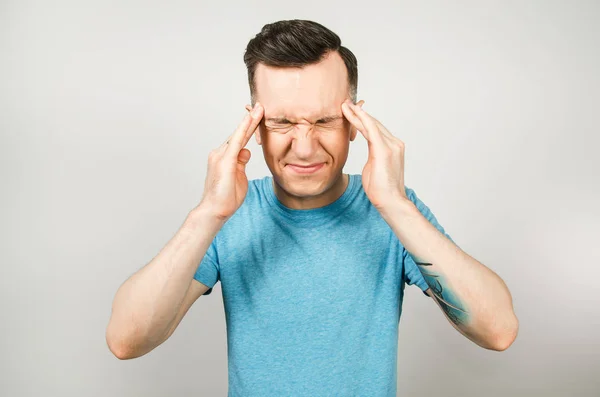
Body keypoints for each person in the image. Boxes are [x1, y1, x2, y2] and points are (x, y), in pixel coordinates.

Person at [106, 19, 519, 396]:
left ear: (357, 124)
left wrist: (394, 202)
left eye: (324, 121)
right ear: (253, 126)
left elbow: (498, 330)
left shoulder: (394, 211)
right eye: (282, 123)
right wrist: (208, 213)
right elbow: (126, 340)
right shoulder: (230, 215)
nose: (303, 148)